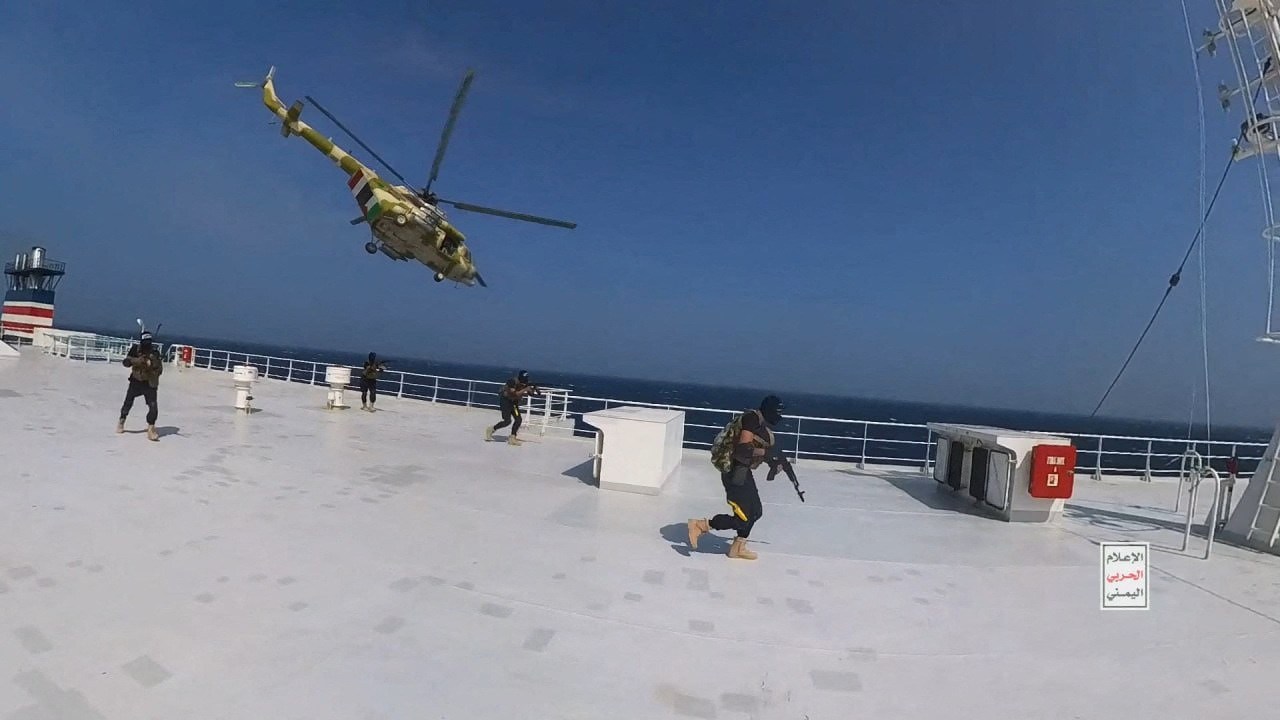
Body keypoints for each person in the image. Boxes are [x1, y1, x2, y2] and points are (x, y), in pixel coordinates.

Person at [687, 395, 791, 560]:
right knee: (744, 517)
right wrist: (767, 454)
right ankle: (700, 525)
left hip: (743, 470)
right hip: (734, 471)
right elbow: (743, 448)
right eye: (777, 412)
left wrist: (775, 461)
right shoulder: (751, 419)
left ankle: (738, 547)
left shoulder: (759, 424)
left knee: (755, 511)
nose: (779, 416)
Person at [117, 330, 164, 441]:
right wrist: (139, 361)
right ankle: (122, 420)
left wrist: (151, 364)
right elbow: (126, 362)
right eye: (145, 342)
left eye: (149, 342)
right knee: (128, 402)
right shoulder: (135, 349)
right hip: (136, 381)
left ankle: (151, 428)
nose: (147, 344)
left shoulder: (155, 353)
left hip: (150, 383)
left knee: (153, 407)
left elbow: (159, 369)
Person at [485, 370, 541, 445]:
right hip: (506, 402)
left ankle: (512, 437)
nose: (525, 381)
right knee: (507, 421)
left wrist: (533, 389)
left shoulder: (525, 383)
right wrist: (525, 389)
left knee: (518, 419)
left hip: (514, 403)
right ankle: (492, 429)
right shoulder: (512, 382)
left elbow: (531, 394)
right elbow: (514, 393)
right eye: (523, 379)